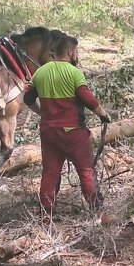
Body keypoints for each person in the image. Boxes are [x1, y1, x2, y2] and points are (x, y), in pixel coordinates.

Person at [24, 32, 111, 213]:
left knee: (50, 174)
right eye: (76, 52)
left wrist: (42, 112)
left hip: (49, 133)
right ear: (70, 52)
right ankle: (96, 211)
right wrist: (103, 115)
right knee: (86, 172)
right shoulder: (74, 73)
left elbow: (28, 98)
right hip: (74, 133)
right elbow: (88, 99)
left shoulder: (40, 72)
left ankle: (46, 213)